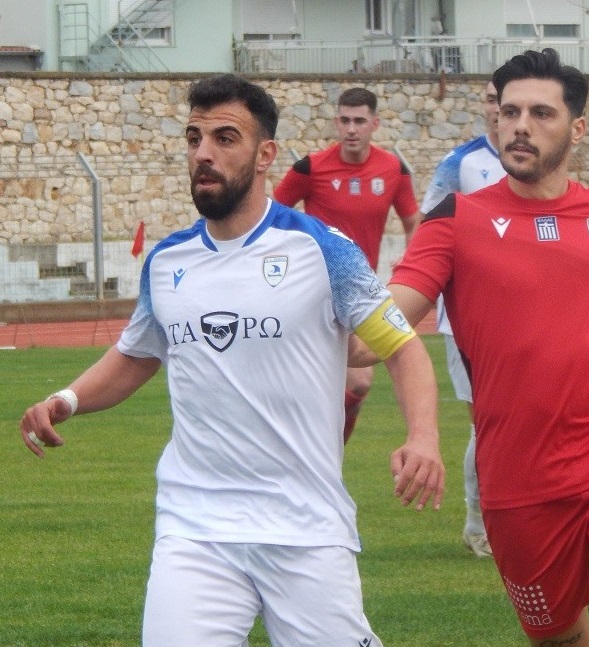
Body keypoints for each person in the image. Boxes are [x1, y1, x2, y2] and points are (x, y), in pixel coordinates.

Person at [19, 74, 445, 647]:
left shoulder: (322, 250)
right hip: (195, 528)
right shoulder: (167, 261)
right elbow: (136, 355)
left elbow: (401, 346)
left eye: (225, 138)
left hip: (304, 527)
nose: (204, 153)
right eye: (194, 138)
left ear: (265, 154)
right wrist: (66, 400)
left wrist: (424, 437)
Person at [369, 49, 589, 646]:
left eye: (541, 113)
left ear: (577, 129)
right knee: (560, 640)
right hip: (516, 478)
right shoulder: (455, 218)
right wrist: (341, 327)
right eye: (510, 112)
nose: (520, 126)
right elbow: (387, 322)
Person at [273, 87, 420, 443]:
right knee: (318, 383)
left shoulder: (393, 169)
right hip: (311, 289)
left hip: (359, 291)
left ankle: (324, 453)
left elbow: (413, 221)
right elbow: (272, 215)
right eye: (345, 120)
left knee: (358, 385)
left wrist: (411, 258)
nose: (351, 129)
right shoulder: (310, 167)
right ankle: (308, 451)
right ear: (336, 123)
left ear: (375, 124)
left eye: (359, 121)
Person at [420, 80, 507, 558]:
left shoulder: (535, 164)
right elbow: (429, 227)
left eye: (505, 100)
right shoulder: (462, 164)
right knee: (486, 421)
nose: (499, 109)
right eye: (492, 100)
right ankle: (479, 522)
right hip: (465, 319)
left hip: (524, 314)